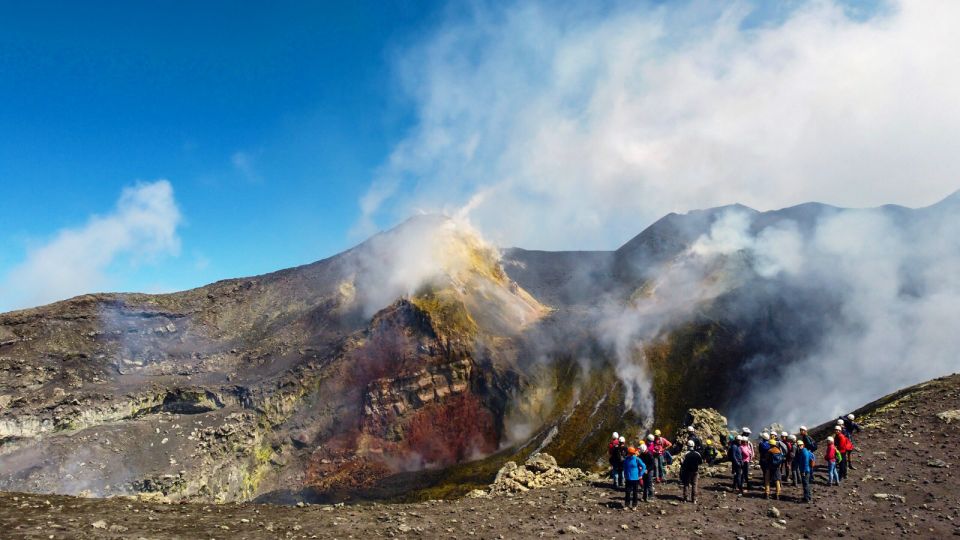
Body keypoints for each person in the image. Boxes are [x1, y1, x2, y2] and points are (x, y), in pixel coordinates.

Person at [765, 433, 784, 500]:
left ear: (770, 444)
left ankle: (767, 493)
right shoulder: (778, 450)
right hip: (777, 467)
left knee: (767, 480)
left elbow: (766, 459)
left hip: (769, 467)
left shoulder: (769, 451)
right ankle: (777, 494)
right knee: (777, 480)